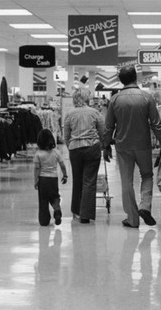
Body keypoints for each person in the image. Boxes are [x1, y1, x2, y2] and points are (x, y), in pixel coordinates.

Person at [103, 65, 161, 228]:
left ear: (120, 80)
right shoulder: (146, 97)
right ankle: (145, 206)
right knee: (147, 175)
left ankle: (132, 219)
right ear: (136, 78)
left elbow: (109, 126)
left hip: (123, 145)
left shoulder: (115, 99)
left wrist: (105, 146)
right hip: (143, 145)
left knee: (127, 181)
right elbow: (156, 124)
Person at [64, 88, 105, 224]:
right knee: (89, 181)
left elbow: (66, 136)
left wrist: (70, 145)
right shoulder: (95, 113)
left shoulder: (69, 114)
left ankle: (76, 210)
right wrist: (103, 145)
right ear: (87, 98)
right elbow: (102, 132)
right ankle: (85, 215)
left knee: (77, 179)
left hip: (75, 148)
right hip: (92, 147)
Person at [34, 129, 68, 226]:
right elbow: (62, 165)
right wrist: (65, 175)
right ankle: (57, 209)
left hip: (43, 179)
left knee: (43, 200)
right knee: (54, 197)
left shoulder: (38, 154)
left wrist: (36, 181)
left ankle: (44, 220)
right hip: (53, 179)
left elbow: (36, 169)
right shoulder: (56, 152)